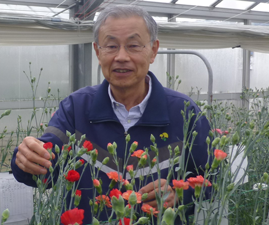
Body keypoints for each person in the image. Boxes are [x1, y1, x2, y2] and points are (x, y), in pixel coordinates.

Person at [11, 5, 211, 224]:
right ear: (98, 52)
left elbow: (215, 176)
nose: (121, 56)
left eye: (134, 45)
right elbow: (44, 168)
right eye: (111, 46)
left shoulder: (184, 112)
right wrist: (25, 159)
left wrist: (181, 192)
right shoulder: (75, 108)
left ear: (153, 50)